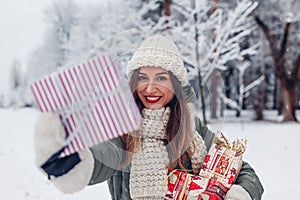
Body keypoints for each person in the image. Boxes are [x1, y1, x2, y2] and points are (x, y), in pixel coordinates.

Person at [34, 35, 264, 199]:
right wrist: (75, 161)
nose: (150, 88)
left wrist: (239, 194)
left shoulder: (192, 128)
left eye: (161, 78)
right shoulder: (121, 126)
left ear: (175, 85)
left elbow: (244, 172)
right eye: (143, 77)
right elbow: (103, 156)